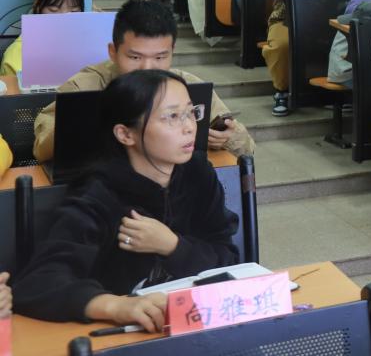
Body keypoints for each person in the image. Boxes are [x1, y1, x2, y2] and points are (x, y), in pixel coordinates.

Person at [16, 70, 239, 326]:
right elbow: (39, 282)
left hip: (195, 322)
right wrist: (115, 306)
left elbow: (228, 258)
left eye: (191, 112)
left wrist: (173, 246)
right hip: (121, 335)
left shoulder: (198, 173)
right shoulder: (99, 194)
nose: (189, 127)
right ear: (125, 134)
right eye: (172, 117)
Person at [33, 0, 254, 162]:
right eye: (135, 57)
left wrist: (228, 137)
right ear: (113, 52)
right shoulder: (84, 87)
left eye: (160, 57)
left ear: (172, 52)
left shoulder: (187, 87)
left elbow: (247, 151)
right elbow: (41, 147)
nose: (147, 69)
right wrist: (80, 124)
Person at [2, 0, 85, 76]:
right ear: (37, 5)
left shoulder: (91, 46)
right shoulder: (16, 56)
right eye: (54, 10)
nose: (64, 21)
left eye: (73, 11)